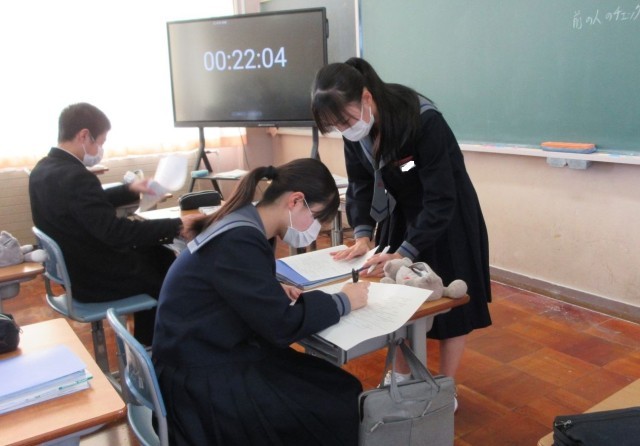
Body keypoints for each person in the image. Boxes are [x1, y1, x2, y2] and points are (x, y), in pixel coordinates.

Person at [152, 159, 369, 446]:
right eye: (316, 217)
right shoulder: (240, 238)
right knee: (339, 398)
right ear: (295, 201)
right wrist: (343, 301)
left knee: (334, 384)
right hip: (202, 382)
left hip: (205, 354)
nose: (315, 230)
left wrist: (270, 287)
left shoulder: (243, 221)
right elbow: (281, 326)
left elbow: (226, 281)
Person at [311, 58, 492, 394]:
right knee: (399, 297)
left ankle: (444, 388)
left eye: (345, 120)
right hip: (403, 212)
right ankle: (403, 373)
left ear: (366, 97)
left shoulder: (422, 120)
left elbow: (441, 197)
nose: (344, 129)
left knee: (451, 307)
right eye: (335, 126)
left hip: (447, 214)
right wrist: (363, 235)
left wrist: (405, 251)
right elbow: (361, 183)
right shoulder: (356, 130)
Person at [29, 102, 202, 345]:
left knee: (158, 254)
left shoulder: (44, 169)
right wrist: (176, 225)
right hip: (95, 280)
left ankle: (148, 341)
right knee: (171, 273)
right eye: (100, 142)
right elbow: (115, 232)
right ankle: (154, 346)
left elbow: (86, 204)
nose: (100, 149)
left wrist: (131, 189)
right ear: (84, 136)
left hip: (74, 271)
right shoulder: (76, 177)